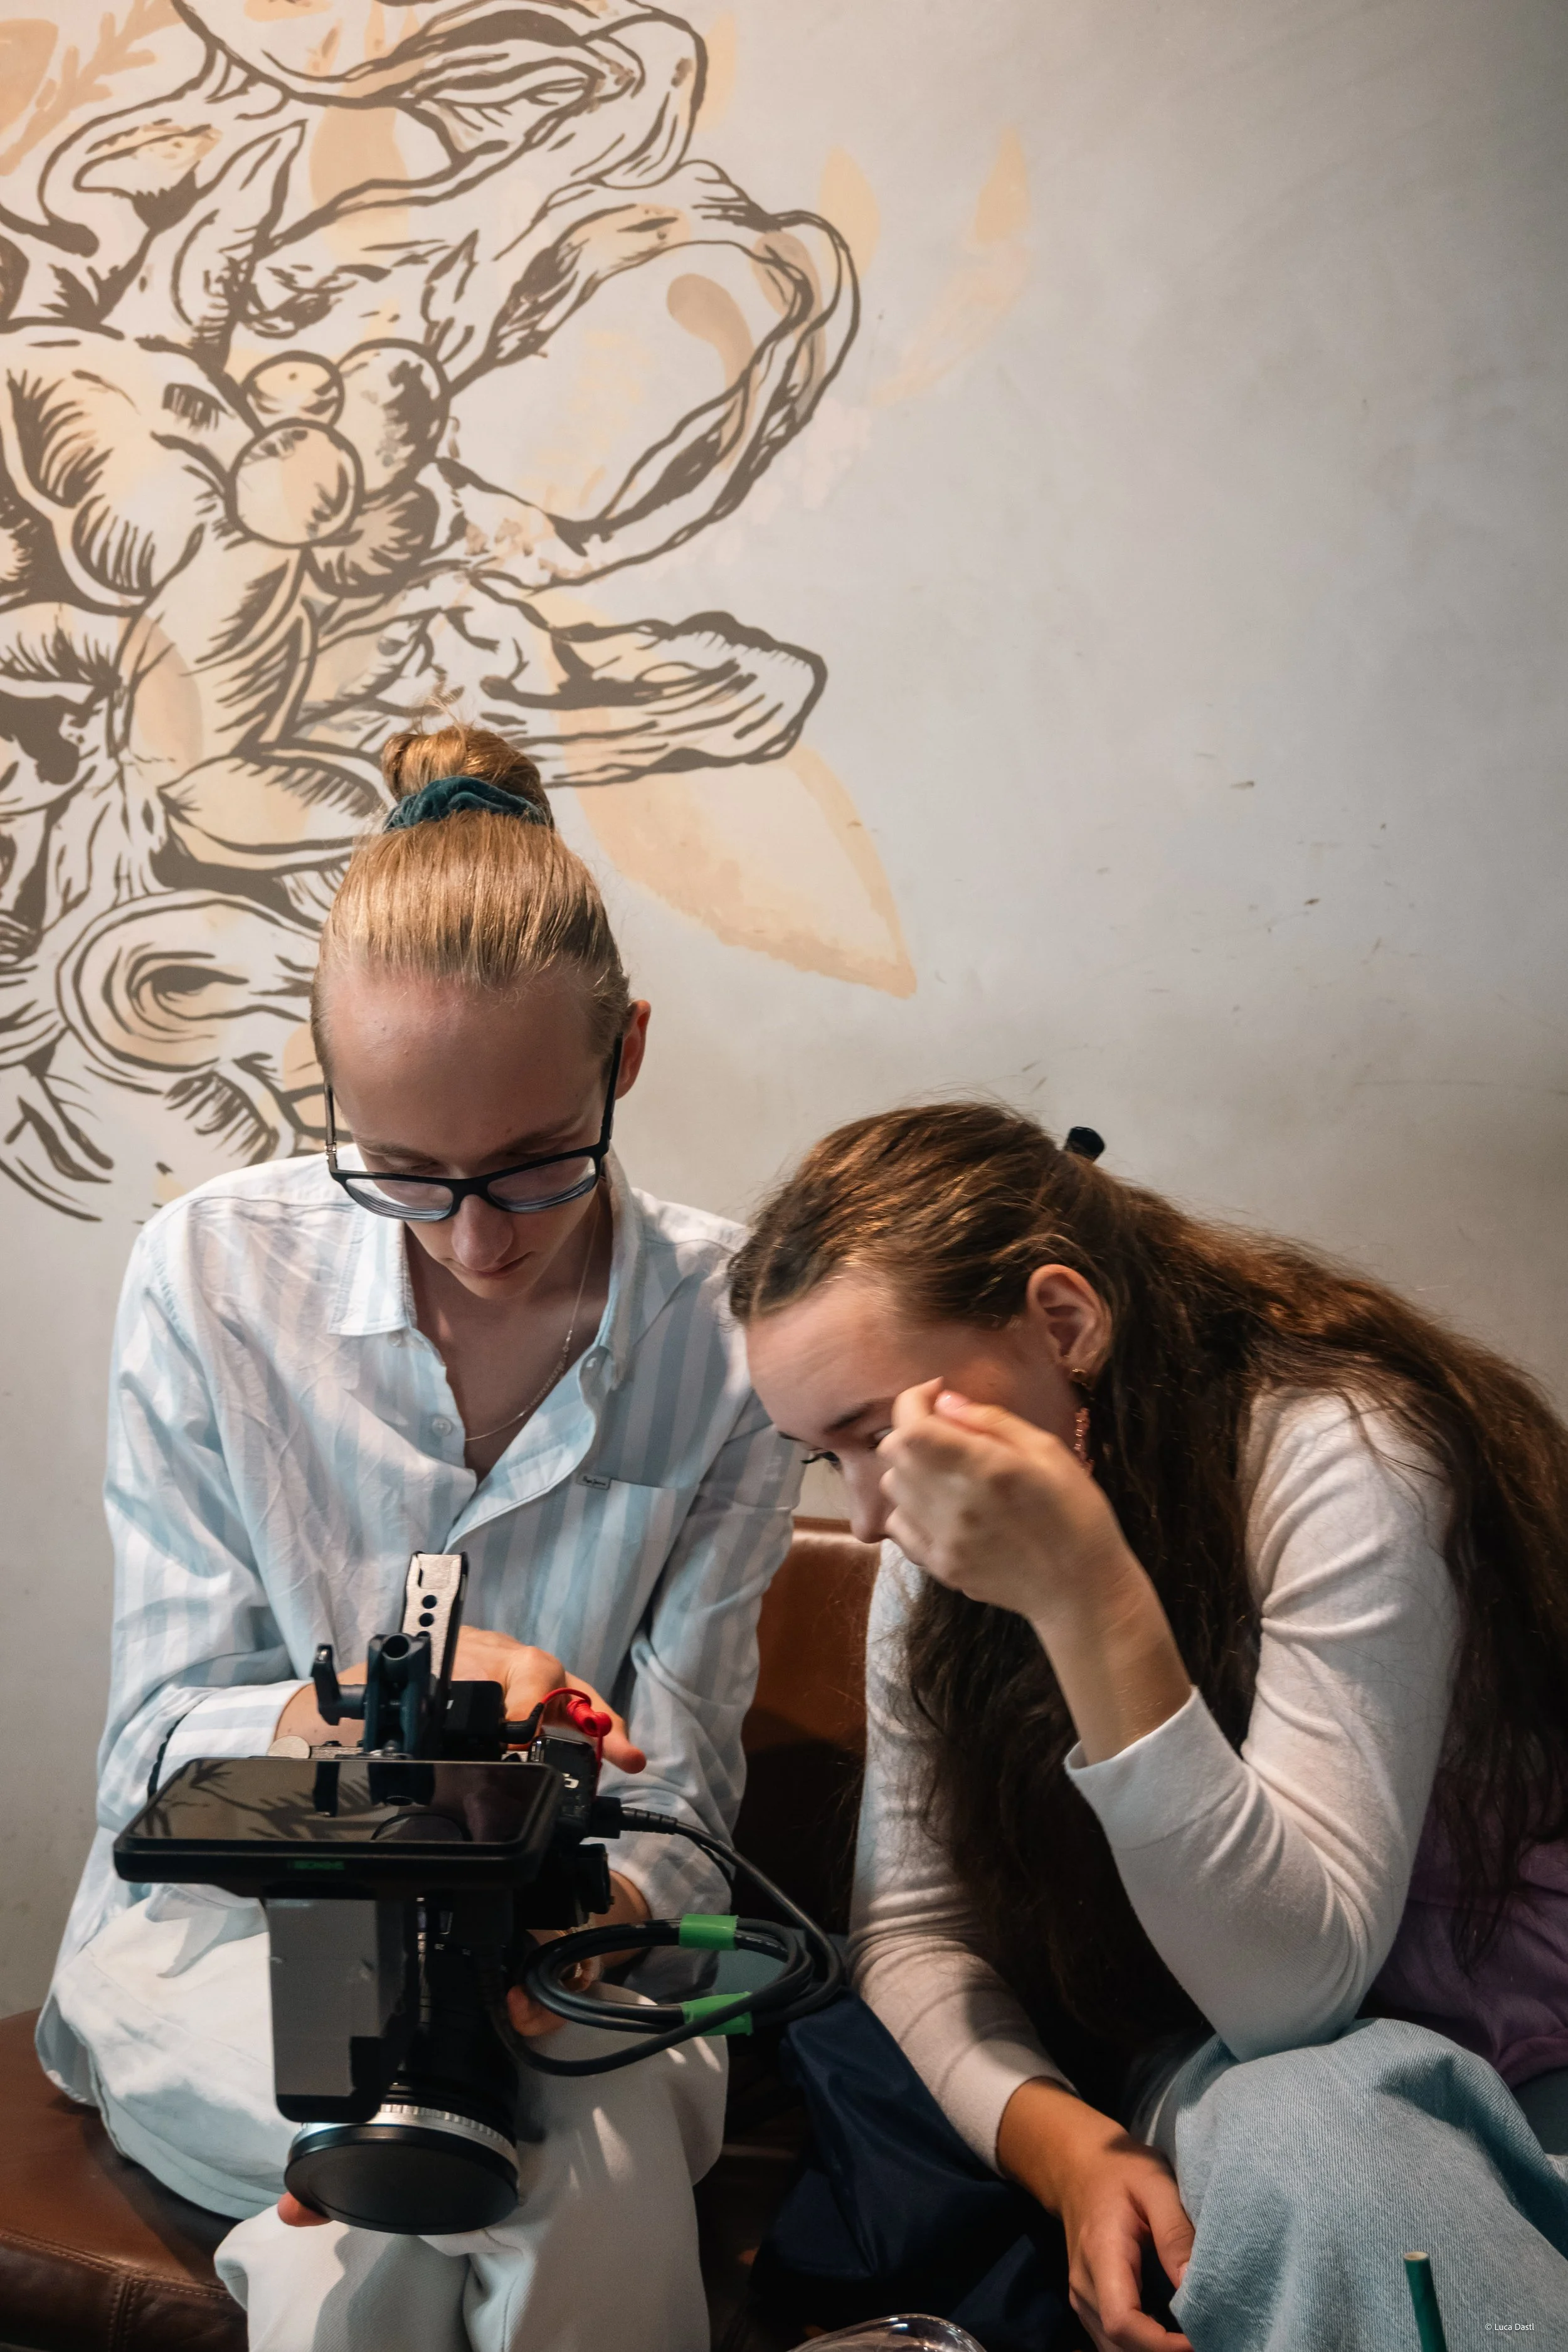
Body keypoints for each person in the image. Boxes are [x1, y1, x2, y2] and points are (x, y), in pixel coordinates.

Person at [39, 724, 801, 2352]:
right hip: (234, 1936)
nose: (474, 1241)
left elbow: (682, 1787)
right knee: (462, 2146)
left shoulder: (732, 1332)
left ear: (629, 1054)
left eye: (534, 1164)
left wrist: (581, 1928)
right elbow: (148, 1763)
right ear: (331, 1101)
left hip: (581, 1942)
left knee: (439, 2168)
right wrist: (358, 1702)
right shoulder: (210, 1278)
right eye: (401, 1172)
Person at [731, 1103, 1568, 2352]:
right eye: (824, 1456)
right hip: (1239, 2082)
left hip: (1511, 2052)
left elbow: (1293, 1993)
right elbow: (911, 1933)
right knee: (1304, 2135)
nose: (864, 1517)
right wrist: (1063, 2149)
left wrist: (1088, 1597)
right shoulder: (938, 1538)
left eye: (879, 1433)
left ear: (1062, 1325)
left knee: (1317, 2131)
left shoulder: (1337, 1451)